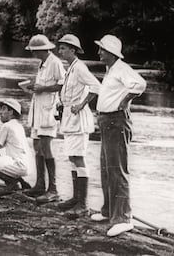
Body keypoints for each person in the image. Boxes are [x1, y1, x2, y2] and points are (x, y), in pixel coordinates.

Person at [91, 34, 147, 237]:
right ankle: (108, 211)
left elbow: (140, 85)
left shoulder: (122, 69)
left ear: (112, 53)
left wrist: (124, 101)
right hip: (107, 121)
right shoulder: (111, 70)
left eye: (102, 50)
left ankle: (123, 218)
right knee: (106, 167)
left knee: (117, 169)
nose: (98, 52)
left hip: (117, 121)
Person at [56, 34, 101, 218]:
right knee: (72, 157)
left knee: (79, 157)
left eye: (63, 48)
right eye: (60, 48)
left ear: (73, 50)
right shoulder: (70, 69)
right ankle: (76, 198)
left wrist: (82, 104)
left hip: (78, 119)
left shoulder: (80, 68)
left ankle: (83, 204)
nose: (60, 51)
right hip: (69, 118)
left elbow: (96, 86)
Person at [23, 34, 66, 203]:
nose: (33, 54)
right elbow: (42, 85)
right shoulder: (42, 64)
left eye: (34, 51)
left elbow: (63, 84)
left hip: (48, 111)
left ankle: (53, 189)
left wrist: (44, 88)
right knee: (36, 145)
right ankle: (40, 184)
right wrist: (33, 87)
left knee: (46, 146)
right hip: (38, 110)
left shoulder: (55, 63)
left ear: (42, 50)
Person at [0, 99, 31, 197]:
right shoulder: (18, 126)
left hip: (18, 165)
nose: (0, 113)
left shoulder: (7, 126)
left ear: (11, 112)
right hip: (26, 166)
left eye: (4, 109)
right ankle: (21, 182)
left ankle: (12, 183)